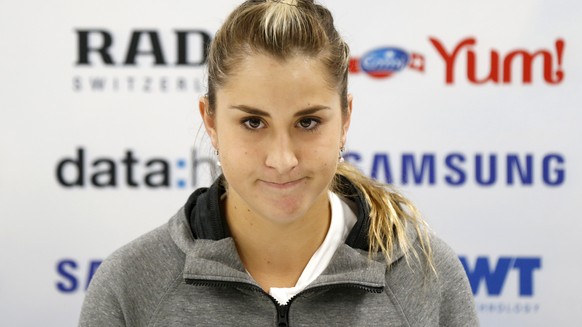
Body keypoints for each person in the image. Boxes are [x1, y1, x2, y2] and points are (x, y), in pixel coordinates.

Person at [79, 0, 479, 326]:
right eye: (253, 122)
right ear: (211, 121)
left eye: (308, 122)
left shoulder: (426, 279)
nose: (283, 159)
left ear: (346, 120)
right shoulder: (130, 286)